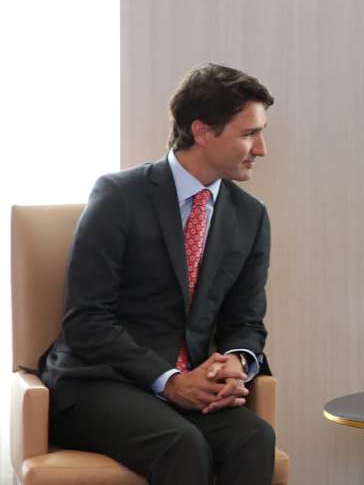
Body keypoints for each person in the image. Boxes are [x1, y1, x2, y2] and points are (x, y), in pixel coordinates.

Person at [39, 63, 277, 484]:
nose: (261, 149)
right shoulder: (119, 195)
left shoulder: (250, 216)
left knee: (254, 437)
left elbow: (245, 320)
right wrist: (168, 382)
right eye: (248, 134)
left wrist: (236, 362)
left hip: (190, 386)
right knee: (181, 445)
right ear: (202, 131)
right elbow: (86, 320)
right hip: (99, 382)